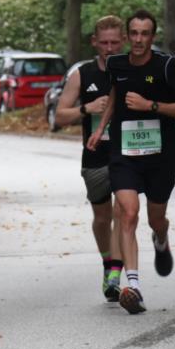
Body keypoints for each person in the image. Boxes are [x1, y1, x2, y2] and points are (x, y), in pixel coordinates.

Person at [89, 9, 175, 314]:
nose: (138, 40)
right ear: (127, 35)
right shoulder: (116, 64)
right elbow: (113, 96)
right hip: (124, 153)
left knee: (155, 218)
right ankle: (133, 286)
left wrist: (151, 105)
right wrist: (100, 130)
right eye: (133, 33)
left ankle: (161, 239)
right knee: (128, 213)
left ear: (152, 36)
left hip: (160, 157)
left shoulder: (167, 67)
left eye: (144, 34)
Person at [56, 15, 126, 302]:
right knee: (102, 217)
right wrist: (87, 108)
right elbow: (60, 116)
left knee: (124, 212)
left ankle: (114, 273)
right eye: (104, 42)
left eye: (114, 42)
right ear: (94, 42)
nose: (109, 48)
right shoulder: (81, 75)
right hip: (95, 155)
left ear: (122, 41)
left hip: (126, 154)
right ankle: (107, 261)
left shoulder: (133, 71)